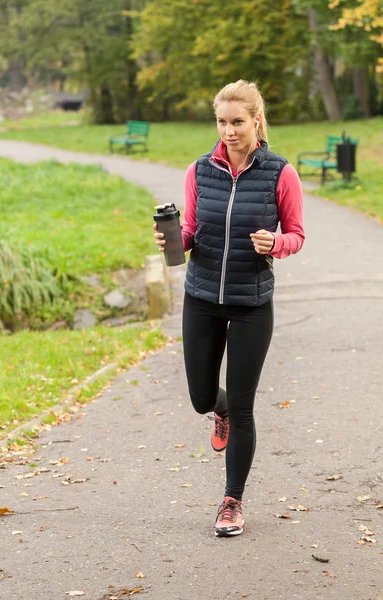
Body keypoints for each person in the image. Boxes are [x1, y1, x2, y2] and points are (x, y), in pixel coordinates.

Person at [153, 80, 305, 538]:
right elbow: (194, 231)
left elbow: (296, 234)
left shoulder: (281, 173)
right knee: (203, 396)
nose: (229, 131)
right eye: (222, 122)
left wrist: (274, 243)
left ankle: (231, 500)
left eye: (237, 122)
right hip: (201, 297)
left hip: (251, 303)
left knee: (243, 407)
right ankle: (215, 409)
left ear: (256, 120)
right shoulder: (200, 170)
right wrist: (174, 240)